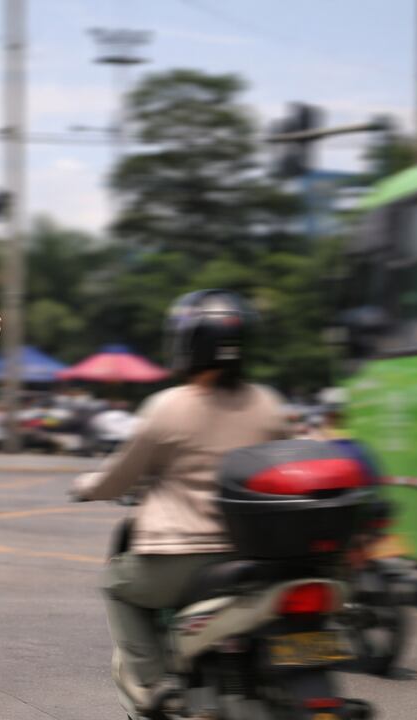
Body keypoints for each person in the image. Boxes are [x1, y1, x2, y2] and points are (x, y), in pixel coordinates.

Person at [69, 289, 290, 717]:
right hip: (255, 557)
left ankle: (155, 683)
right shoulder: (268, 404)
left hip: (181, 558)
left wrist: (87, 486)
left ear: (188, 344)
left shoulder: (168, 406)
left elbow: (120, 477)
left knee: (116, 585)